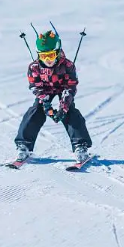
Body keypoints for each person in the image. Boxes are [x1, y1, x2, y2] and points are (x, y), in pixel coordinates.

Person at [14, 29, 92, 163]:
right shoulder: (34, 67)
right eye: (43, 56)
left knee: (70, 113)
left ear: (57, 52)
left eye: (50, 55)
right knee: (35, 111)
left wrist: (63, 107)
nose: (47, 60)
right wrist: (46, 103)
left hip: (63, 89)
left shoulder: (67, 65)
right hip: (45, 90)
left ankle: (81, 145)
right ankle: (24, 145)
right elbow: (35, 86)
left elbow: (71, 86)